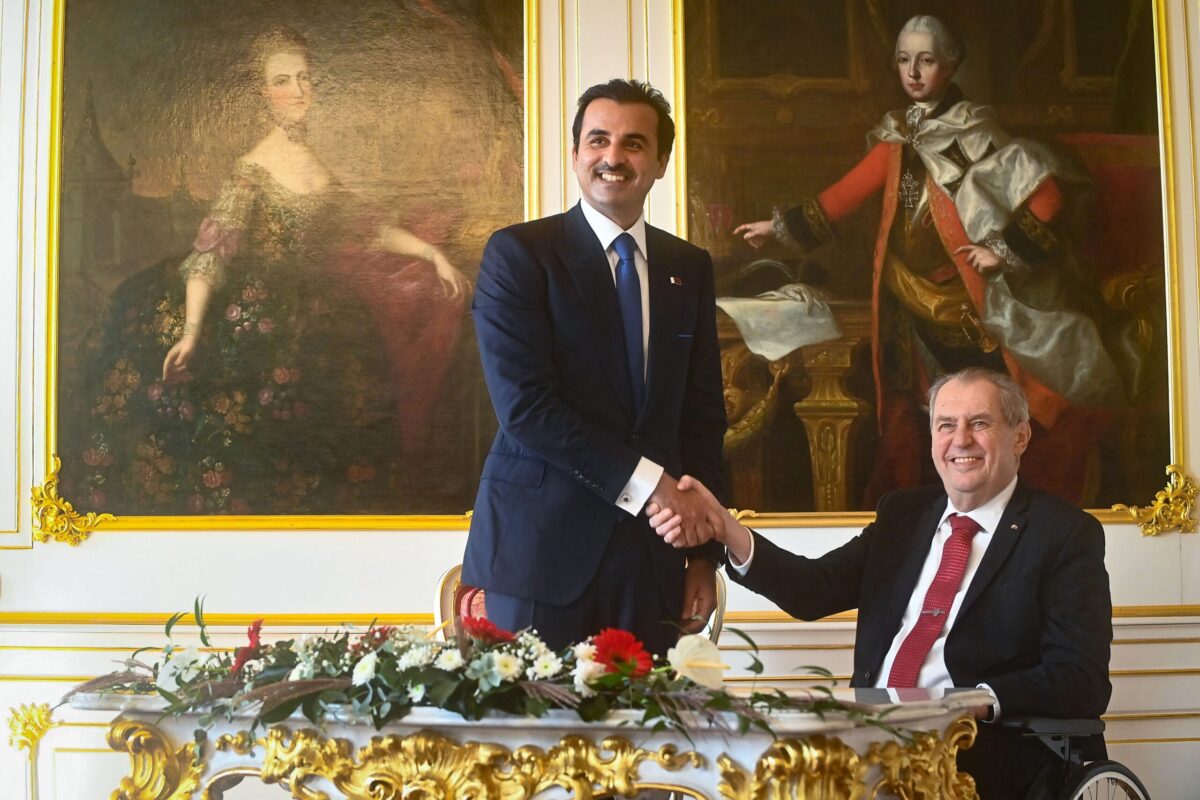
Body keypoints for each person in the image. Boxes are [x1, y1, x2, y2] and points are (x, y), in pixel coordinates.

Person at [733, 14, 1142, 507]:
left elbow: (1047, 197)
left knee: (993, 414)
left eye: (926, 60)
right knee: (914, 422)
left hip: (974, 305)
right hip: (908, 306)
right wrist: (776, 229)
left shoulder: (976, 132)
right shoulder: (897, 137)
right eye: (904, 60)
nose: (913, 72)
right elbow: (843, 197)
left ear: (949, 67)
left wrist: (1002, 251)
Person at [649, 367, 1112, 799]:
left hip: (975, 748)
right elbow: (814, 589)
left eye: (980, 423)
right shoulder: (902, 516)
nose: (960, 440)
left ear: (1021, 436)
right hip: (866, 737)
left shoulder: (1064, 534)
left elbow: (1081, 678)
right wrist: (725, 528)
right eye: (946, 424)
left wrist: (972, 702)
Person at [66, 28, 469, 514]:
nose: (297, 90)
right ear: (263, 93)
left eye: (305, 78)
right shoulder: (251, 169)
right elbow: (209, 255)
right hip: (250, 310)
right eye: (283, 80)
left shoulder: (316, 165)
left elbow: (367, 230)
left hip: (315, 308)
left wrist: (432, 253)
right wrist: (191, 333)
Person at [462, 79, 728, 655]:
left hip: (653, 562)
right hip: (539, 556)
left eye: (634, 144)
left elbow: (703, 419)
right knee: (528, 741)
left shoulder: (690, 267)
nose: (613, 157)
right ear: (575, 153)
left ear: (660, 162)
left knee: (648, 742)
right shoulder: (519, 255)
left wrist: (703, 555)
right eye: (598, 140)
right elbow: (526, 408)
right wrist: (653, 483)